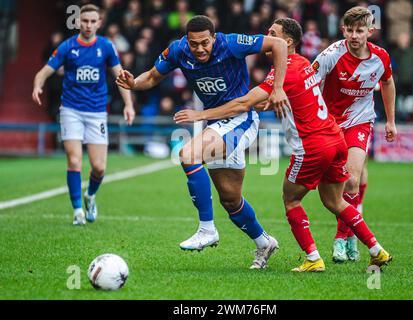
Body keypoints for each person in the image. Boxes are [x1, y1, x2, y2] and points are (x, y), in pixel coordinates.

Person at [174, 18, 393, 272]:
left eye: (273, 33)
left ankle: (313, 259)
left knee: (291, 200)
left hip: (312, 147)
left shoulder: (284, 70)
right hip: (335, 140)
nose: (268, 36)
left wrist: (199, 115)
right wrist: (269, 98)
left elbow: (242, 104)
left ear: (287, 42)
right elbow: (290, 93)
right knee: (335, 202)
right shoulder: (301, 64)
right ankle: (377, 250)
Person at [116, 15, 290, 269]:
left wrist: (278, 88)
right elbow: (152, 77)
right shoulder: (178, 50)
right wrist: (133, 83)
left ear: (214, 38)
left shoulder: (231, 43)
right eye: (194, 44)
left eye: (205, 43)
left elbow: (280, 45)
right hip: (217, 126)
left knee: (189, 154)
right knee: (230, 200)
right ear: (187, 40)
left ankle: (207, 229)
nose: (200, 49)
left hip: (240, 119)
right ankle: (264, 242)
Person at [32, 4, 135, 225]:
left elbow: (120, 77)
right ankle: (78, 210)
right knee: (75, 160)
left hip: (97, 112)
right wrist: (37, 86)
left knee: (99, 167)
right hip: (71, 110)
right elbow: (44, 71)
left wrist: (129, 104)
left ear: (99, 23)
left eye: (92, 21)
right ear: (78, 22)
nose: (88, 25)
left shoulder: (106, 47)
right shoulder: (67, 47)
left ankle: (90, 196)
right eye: (84, 21)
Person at [312, 6, 397, 262]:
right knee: (338, 185)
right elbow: (309, 84)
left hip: (360, 121)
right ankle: (350, 236)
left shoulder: (381, 57)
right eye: (349, 30)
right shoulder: (330, 55)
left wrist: (391, 120)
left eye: (360, 30)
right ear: (343, 30)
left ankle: (341, 238)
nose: (354, 35)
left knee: (351, 179)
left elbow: (387, 83)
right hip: (329, 124)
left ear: (370, 31)